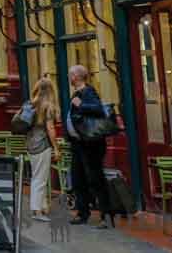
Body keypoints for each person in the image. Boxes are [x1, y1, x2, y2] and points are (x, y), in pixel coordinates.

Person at [66, 64, 112, 228]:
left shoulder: (88, 92)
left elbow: (98, 109)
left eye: (70, 75)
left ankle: (105, 216)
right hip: (78, 144)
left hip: (90, 145)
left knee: (95, 179)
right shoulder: (77, 93)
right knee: (79, 179)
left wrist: (81, 105)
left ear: (77, 77)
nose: (69, 77)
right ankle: (82, 212)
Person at [27, 77, 60, 222]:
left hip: (31, 144)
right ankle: (36, 211)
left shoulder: (31, 104)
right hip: (42, 144)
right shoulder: (48, 106)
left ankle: (42, 206)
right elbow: (50, 128)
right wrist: (56, 148)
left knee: (37, 176)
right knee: (40, 179)